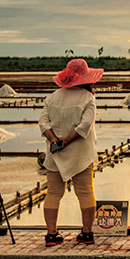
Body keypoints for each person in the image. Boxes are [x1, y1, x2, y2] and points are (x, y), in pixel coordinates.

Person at [39, 58, 103, 247]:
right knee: (85, 192)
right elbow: (85, 126)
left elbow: (43, 123)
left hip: (54, 154)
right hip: (80, 155)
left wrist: (54, 140)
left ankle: (51, 234)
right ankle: (87, 233)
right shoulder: (87, 98)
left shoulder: (53, 97)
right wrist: (66, 141)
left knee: (53, 193)